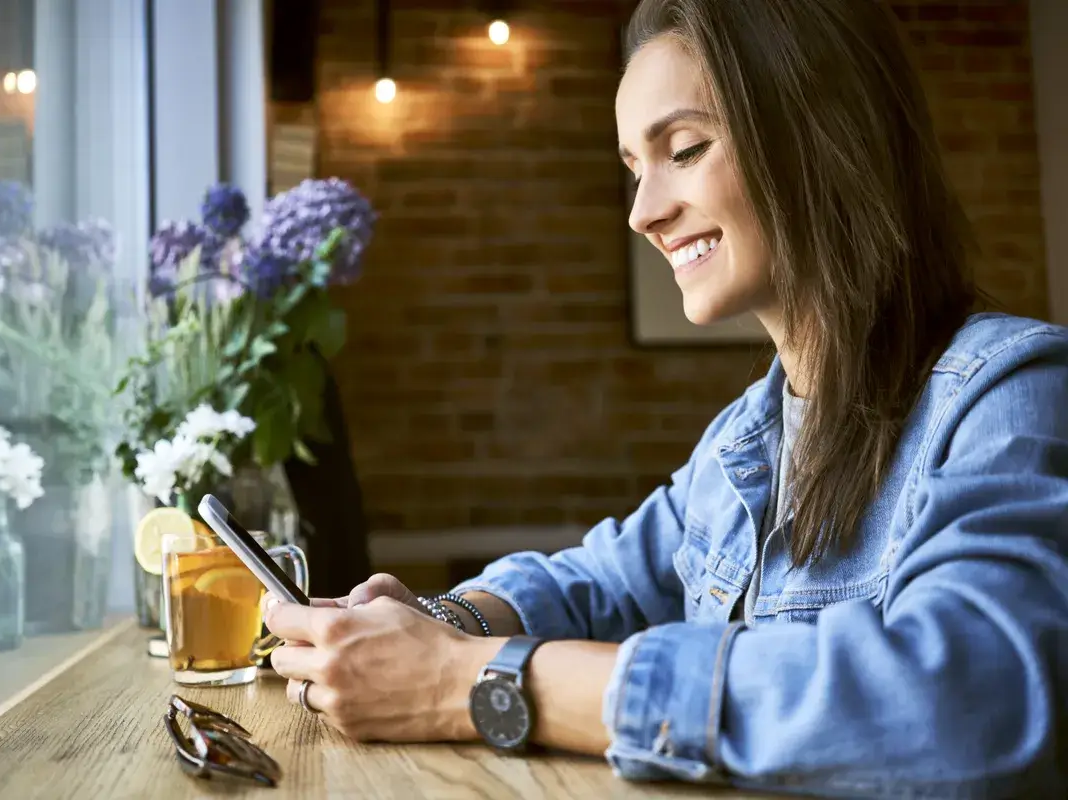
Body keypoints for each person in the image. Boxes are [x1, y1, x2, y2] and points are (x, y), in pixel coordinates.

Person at [263, 0, 1068, 796]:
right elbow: (601, 581)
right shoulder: (745, 442)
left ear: (823, 136)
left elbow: (965, 706)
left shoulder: (1010, 394)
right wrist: (439, 623)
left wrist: (466, 681)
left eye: (683, 149)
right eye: (634, 168)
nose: (643, 213)